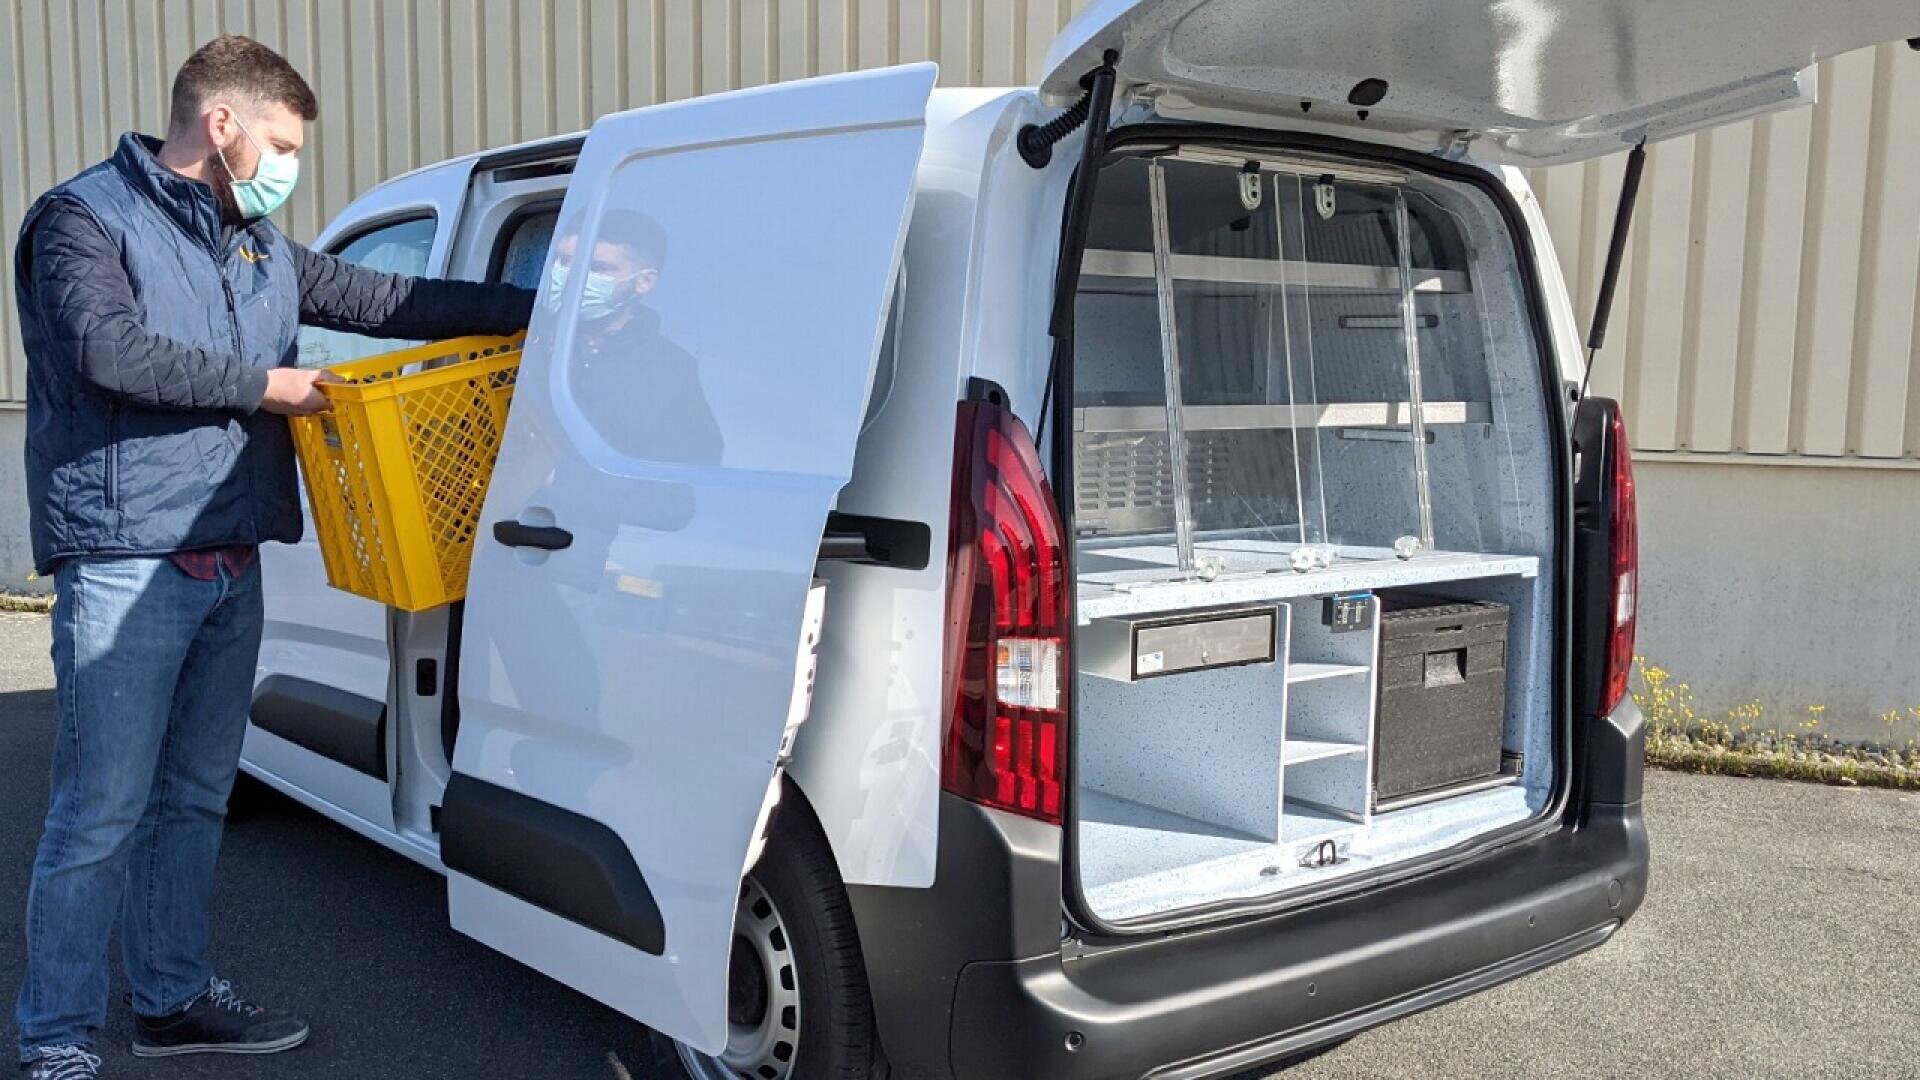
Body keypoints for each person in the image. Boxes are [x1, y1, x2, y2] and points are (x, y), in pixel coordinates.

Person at [10, 35, 534, 1080]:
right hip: (126, 560)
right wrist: (270, 388)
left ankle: (167, 1000)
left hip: (229, 556)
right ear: (223, 125)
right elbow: (105, 352)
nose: (290, 163)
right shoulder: (80, 221)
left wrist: (548, 309)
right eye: (283, 143)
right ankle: (53, 1032)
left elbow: (393, 304)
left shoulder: (260, 246)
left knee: (194, 798)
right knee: (101, 808)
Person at [555, 209, 722, 466]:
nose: (571, 277)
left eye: (598, 268)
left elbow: (686, 475)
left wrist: (562, 478)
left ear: (644, 281)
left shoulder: (671, 369)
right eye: (565, 261)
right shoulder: (535, 338)